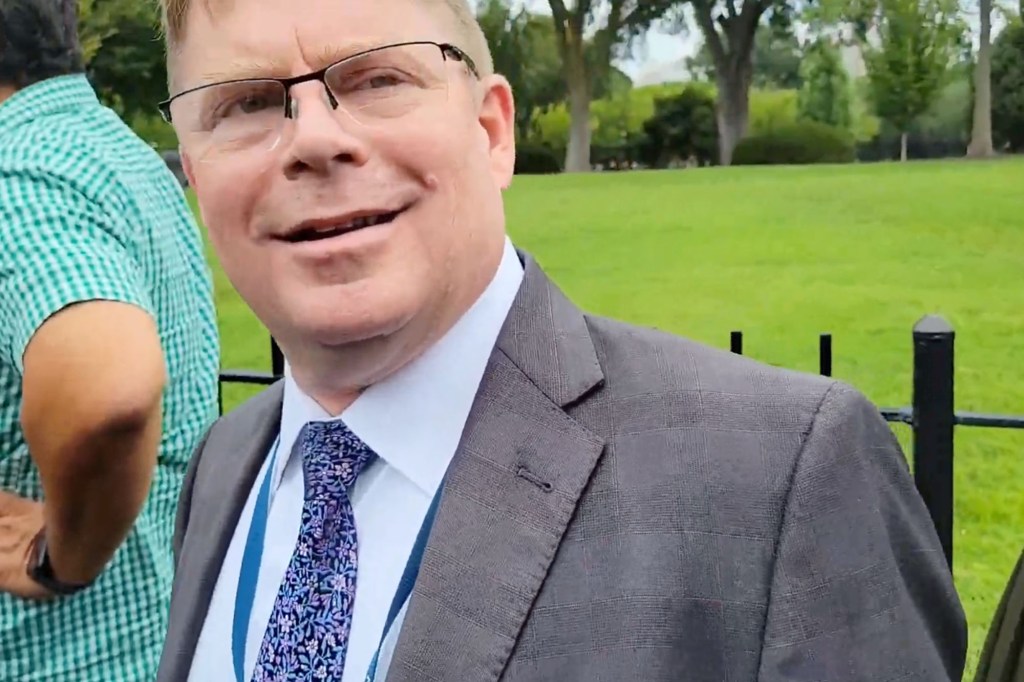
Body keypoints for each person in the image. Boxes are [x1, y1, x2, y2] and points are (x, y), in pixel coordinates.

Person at [154, 0, 968, 680]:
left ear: (492, 131)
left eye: (377, 79)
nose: (314, 139)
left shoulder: (780, 482)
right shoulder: (226, 465)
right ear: (193, 173)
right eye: (245, 104)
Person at [0, 0, 220, 680]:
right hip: (155, 634)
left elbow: (109, 390)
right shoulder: (117, 153)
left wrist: (56, 562)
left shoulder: (17, 179)